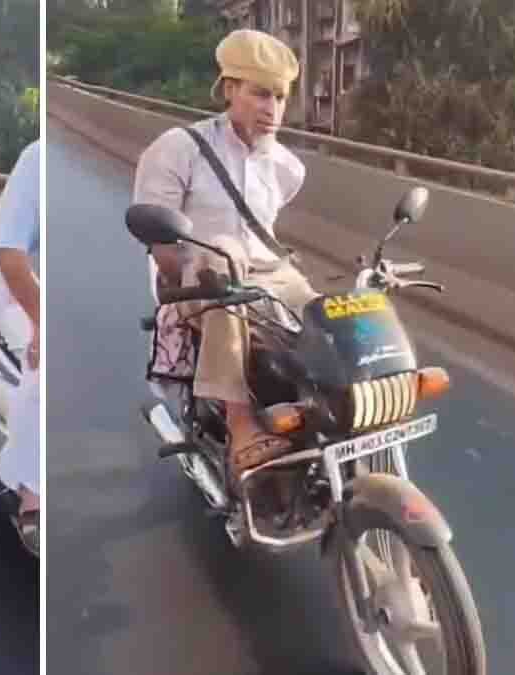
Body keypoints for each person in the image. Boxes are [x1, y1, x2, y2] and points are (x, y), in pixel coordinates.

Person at [133, 29, 318, 493]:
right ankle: (241, 428)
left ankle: (323, 419)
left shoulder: (287, 167)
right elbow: (161, 247)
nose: (271, 108)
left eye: (279, 97)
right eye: (260, 93)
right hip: (196, 278)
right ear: (229, 87)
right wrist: (190, 291)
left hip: (269, 275)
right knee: (226, 267)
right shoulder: (178, 148)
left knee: (329, 315)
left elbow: (266, 230)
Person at [0, 140, 41, 541]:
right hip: (24, 302)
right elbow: (9, 256)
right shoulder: (36, 161)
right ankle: (33, 497)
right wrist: (43, 322)